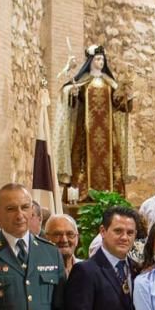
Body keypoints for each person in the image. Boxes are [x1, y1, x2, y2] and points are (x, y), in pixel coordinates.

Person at [53, 44, 134, 197]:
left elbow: (118, 105)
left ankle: (112, 194)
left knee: (111, 164)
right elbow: (70, 98)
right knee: (83, 161)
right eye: (97, 59)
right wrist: (73, 93)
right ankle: (82, 194)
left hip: (108, 137)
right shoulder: (84, 81)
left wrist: (127, 97)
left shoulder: (109, 82)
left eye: (102, 60)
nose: (100, 62)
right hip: (86, 132)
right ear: (90, 61)